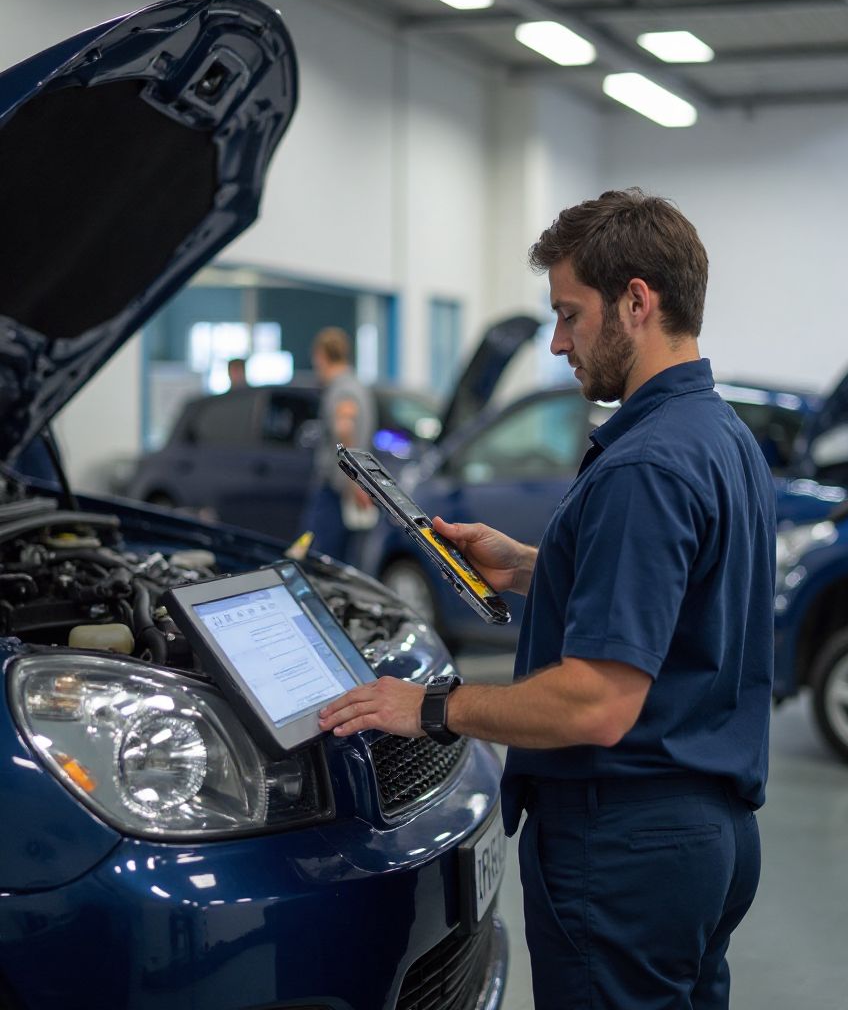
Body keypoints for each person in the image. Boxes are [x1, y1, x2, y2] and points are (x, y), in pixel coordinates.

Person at [319, 189, 777, 1009]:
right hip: (709, 838)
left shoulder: (646, 466)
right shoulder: (720, 436)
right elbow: (682, 601)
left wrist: (428, 707)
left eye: (570, 314)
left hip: (626, 844)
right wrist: (533, 565)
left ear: (637, 301)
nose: (560, 341)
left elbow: (594, 705)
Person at [301, 327, 375, 563]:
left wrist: (354, 482)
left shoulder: (342, 389)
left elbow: (344, 428)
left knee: (322, 559)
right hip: (341, 488)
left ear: (321, 355)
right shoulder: (356, 384)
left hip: (335, 490)